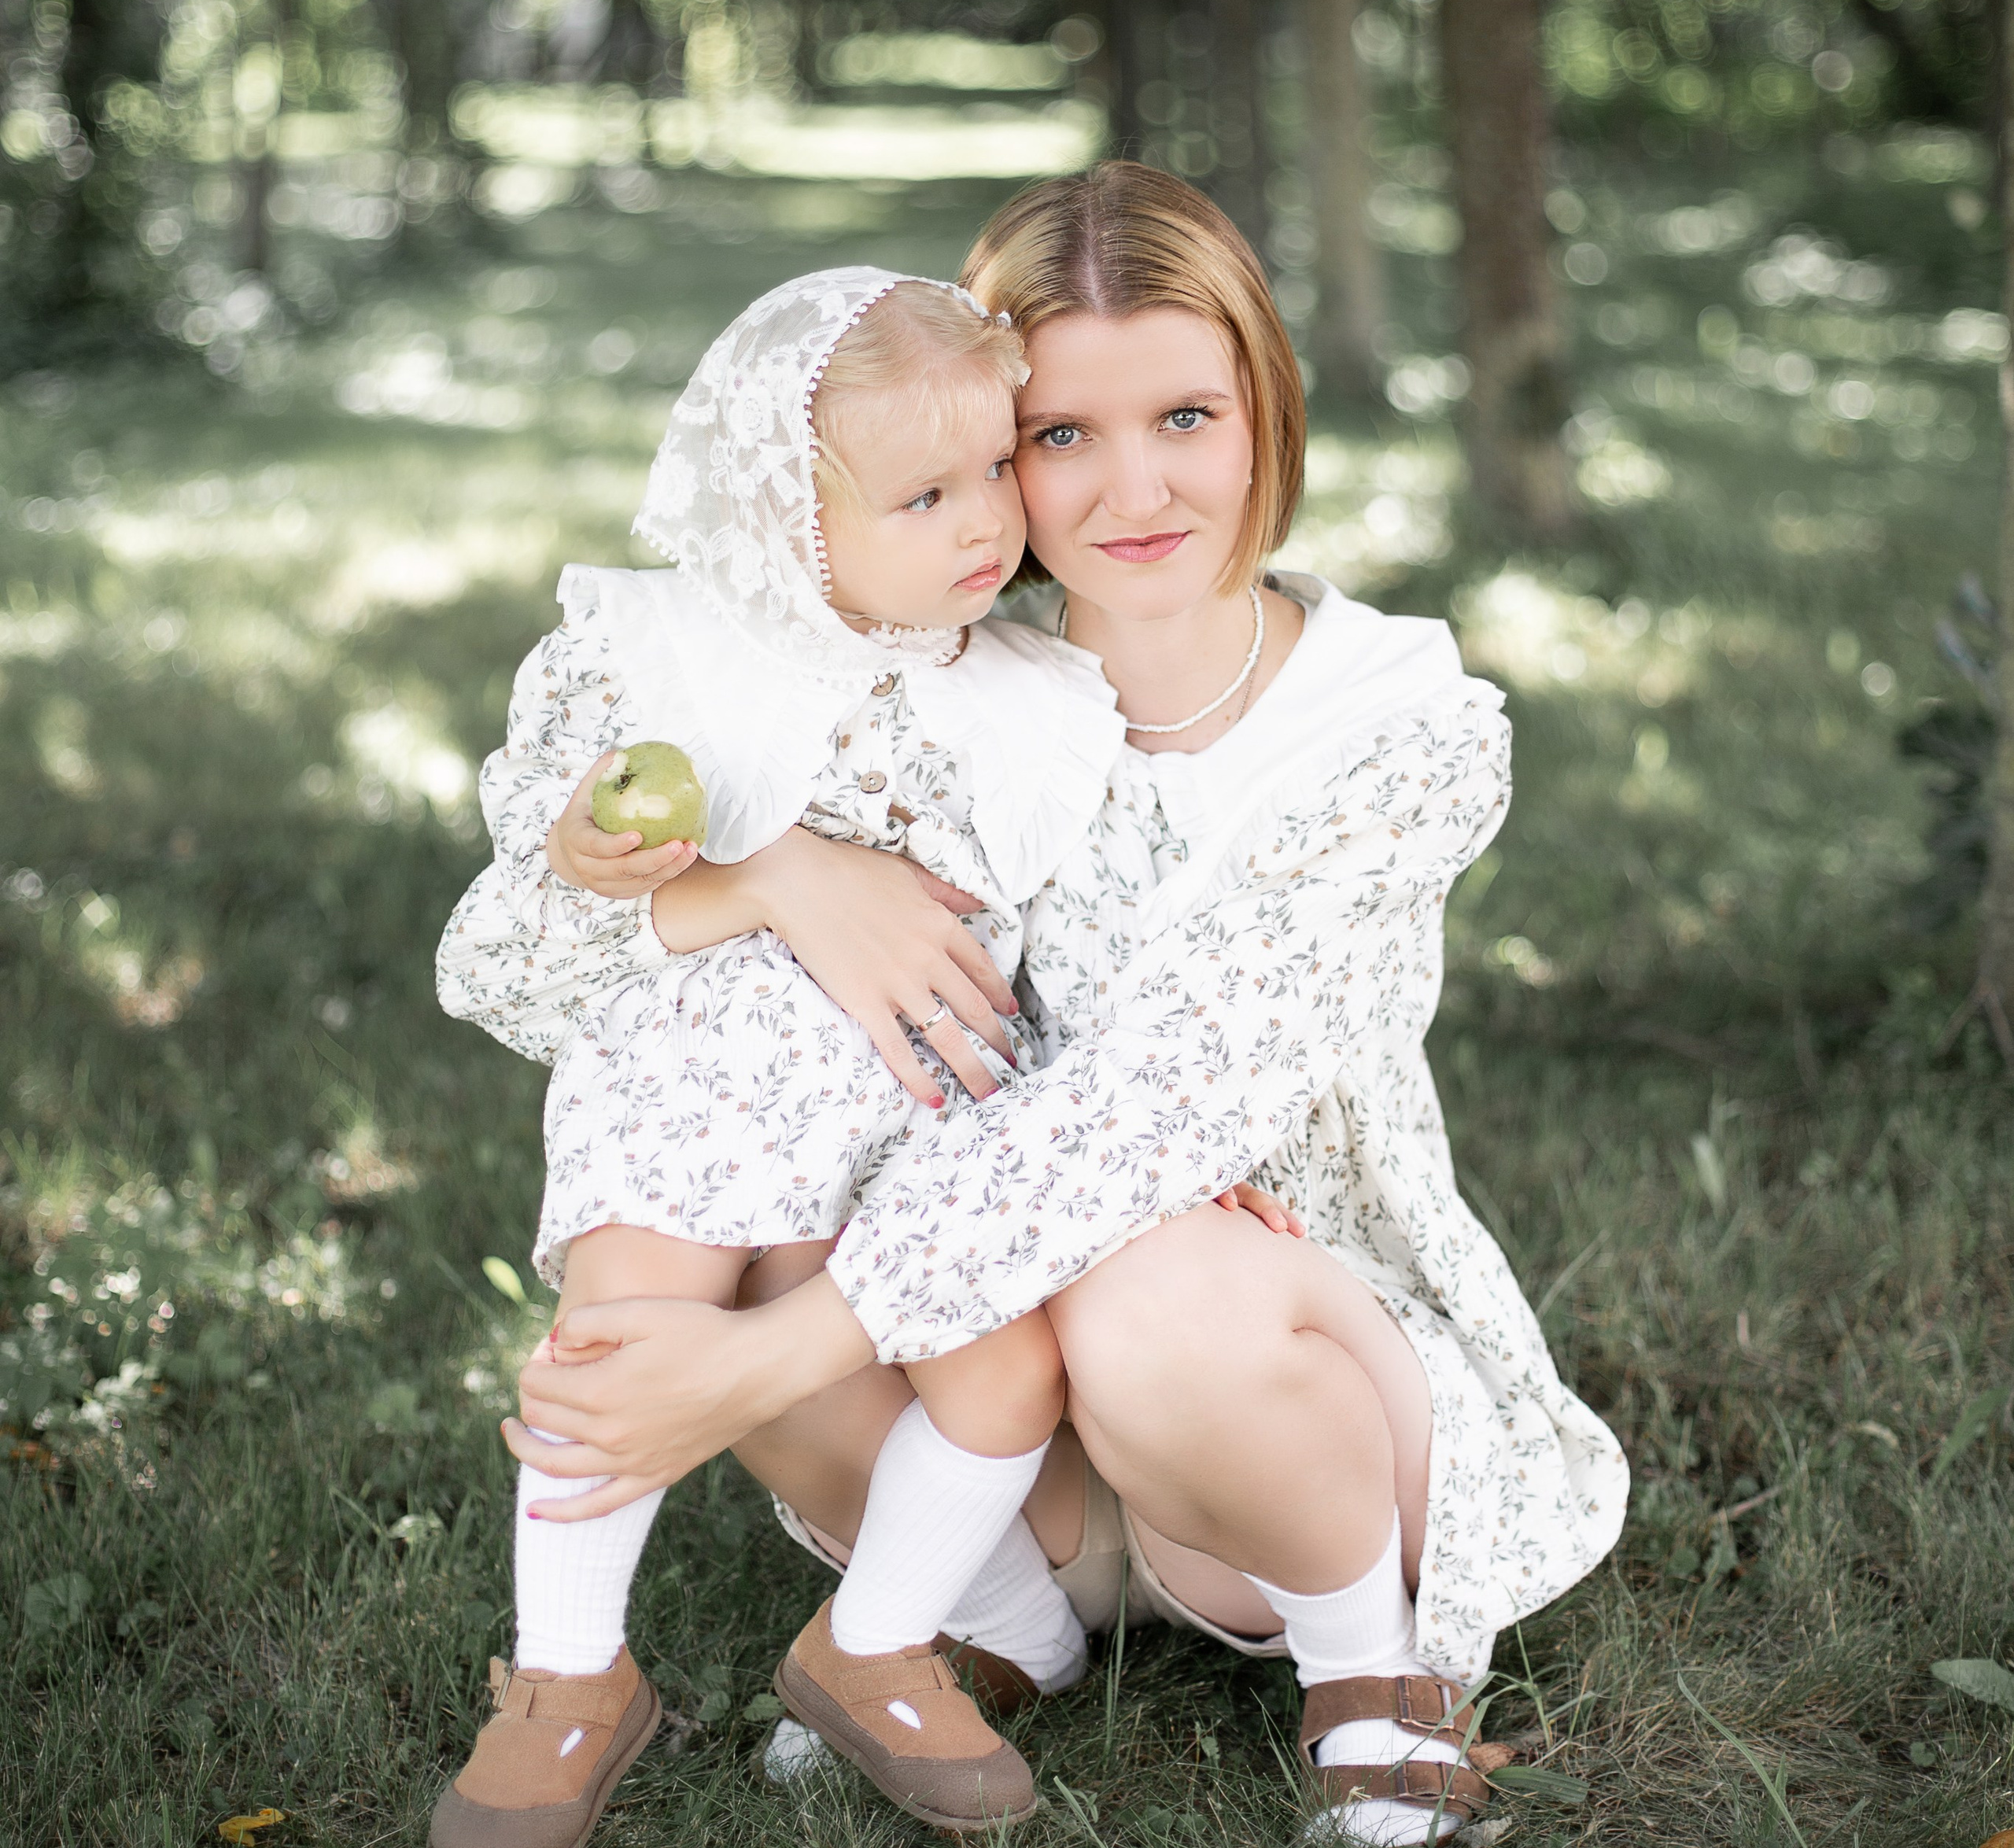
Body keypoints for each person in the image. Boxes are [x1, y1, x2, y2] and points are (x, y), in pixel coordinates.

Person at [491, 165, 1631, 1846]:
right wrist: (775, 876)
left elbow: (1155, 1108)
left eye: (1183, 412)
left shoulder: (1401, 727)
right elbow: (521, 966)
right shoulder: (937, 675)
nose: (1132, 486)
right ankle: (975, 1631)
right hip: (991, 1408)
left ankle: (1366, 1673)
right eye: (1061, 437)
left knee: (1150, 1277)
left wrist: (762, 1365)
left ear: (1264, 407)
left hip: (1264, 1398)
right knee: (742, 1175)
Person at [430, 268, 1151, 1846]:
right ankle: (566, 1676)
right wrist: (607, 851)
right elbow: (518, 935)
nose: (984, 523)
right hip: (698, 1065)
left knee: (999, 1358)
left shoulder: (1037, 698)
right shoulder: (662, 653)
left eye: (991, 471)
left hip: (933, 1093)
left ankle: (874, 1635)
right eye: (922, 493)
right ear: (780, 510)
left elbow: (1093, 956)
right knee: (621, 1309)